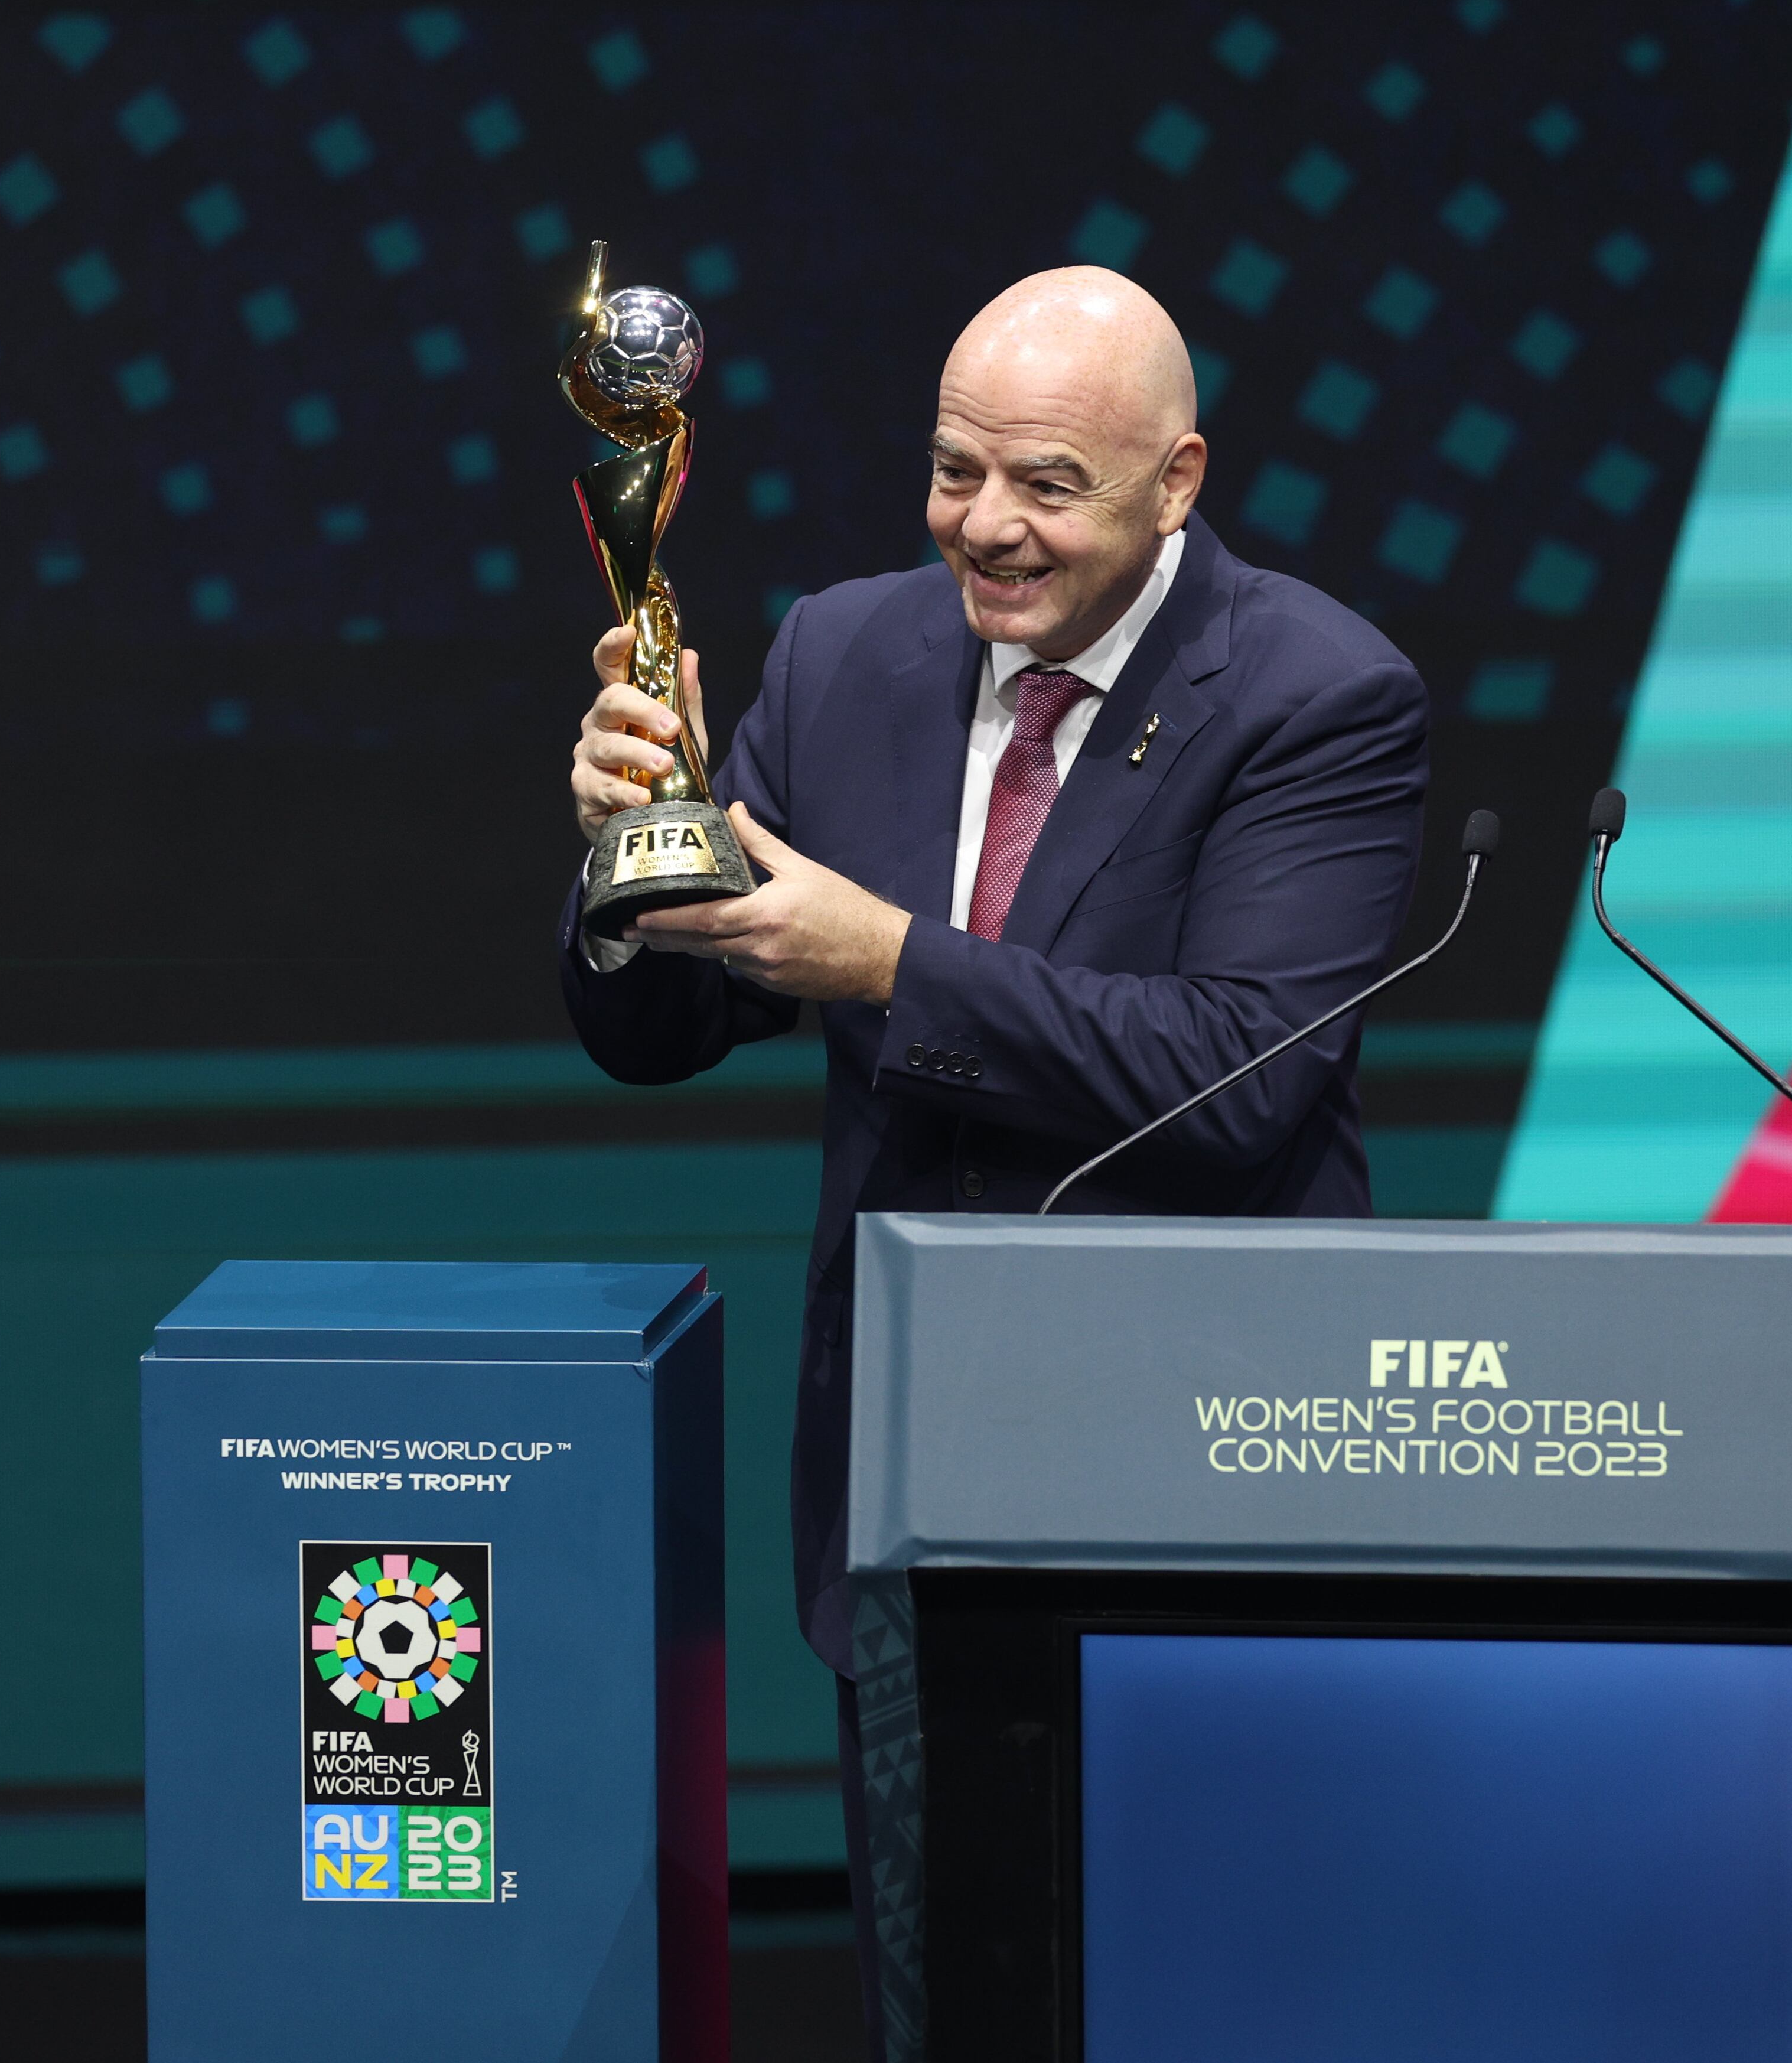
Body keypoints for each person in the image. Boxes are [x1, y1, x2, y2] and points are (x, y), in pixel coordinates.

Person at [558, 265, 1429, 2042]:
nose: (989, 528)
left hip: (1211, 1481)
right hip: (910, 1487)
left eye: (1048, 483)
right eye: (958, 472)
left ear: (1178, 482)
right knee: (947, 2000)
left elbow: (1235, 1073)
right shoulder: (843, 650)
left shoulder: (1320, 695)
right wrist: (625, 870)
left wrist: (882, 957)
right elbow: (663, 1035)